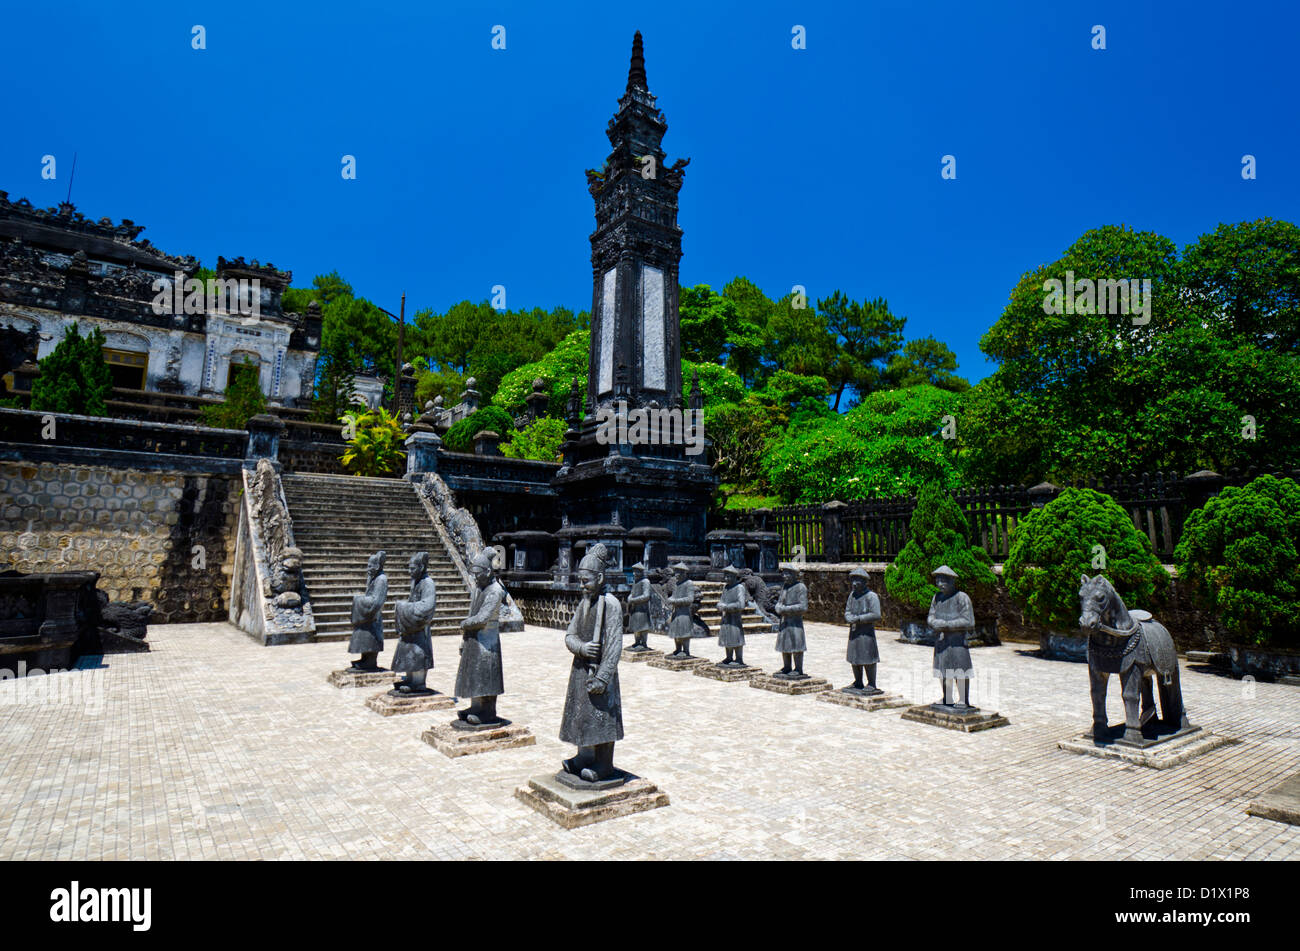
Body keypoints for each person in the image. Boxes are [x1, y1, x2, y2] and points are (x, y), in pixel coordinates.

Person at [559, 544, 625, 783]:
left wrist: (602, 677)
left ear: (599, 577)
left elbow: (615, 645)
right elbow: (570, 635)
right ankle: (583, 756)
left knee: (602, 717)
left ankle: (604, 763)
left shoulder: (611, 605)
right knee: (581, 716)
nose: (582, 585)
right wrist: (581, 648)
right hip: (581, 669)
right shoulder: (584, 604)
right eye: (580, 580)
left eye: (586, 580)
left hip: (599, 674)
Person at [455, 550, 507, 725]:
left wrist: (464, 624)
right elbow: (472, 612)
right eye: (474, 575)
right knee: (475, 675)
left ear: (487, 572)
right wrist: (464, 638)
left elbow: (482, 618)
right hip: (473, 637)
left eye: (478, 575)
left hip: (487, 640)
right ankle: (476, 706)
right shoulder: (478, 588)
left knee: (486, 676)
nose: (475, 578)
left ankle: (488, 711)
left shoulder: (496, 590)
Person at [928, 564, 975, 708]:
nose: (940, 584)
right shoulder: (937, 598)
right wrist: (934, 623)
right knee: (943, 670)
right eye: (938, 581)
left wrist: (946, 624)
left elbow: (968, 621)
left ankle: (963, 699)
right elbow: (930, 616)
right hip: (942, 641)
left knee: (960, 670)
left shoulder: (962, 598)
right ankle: (947, 697)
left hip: (957, 641)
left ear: (952, 581)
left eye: (943, 581)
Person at [392, 551, 437, 693]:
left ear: (422, 567)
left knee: (418, 652)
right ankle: (410, 679)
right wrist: (406, 608)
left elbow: (427, 606)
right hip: (411, 623)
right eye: (409, 568)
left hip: (420, 625)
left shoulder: (428, 583)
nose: (409, 571)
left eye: (413, 568)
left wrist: (405, 608)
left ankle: (418, 683)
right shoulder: (415, 582)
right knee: (408, 650)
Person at [844, 566, 882, 692]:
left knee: (868, 657)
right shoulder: (852, 595)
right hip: (854, 631)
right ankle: (858, 681)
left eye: (858, 581)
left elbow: (876, 614)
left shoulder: (872, 596)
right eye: (853, 580)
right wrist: (849, 617)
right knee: (854, 657)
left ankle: (871, 683)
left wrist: (859, 618)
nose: (854, 584)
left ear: (865, 582)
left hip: (866, 633)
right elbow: (847, 611)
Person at [348, 551, 387, 671]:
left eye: (371, 566)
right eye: (368, 566)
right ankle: (364, 658)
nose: (368, 569)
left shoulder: (381, 579)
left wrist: (359, 600)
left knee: (371, 637)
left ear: (377, 566)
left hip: (373, 615)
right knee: (364, 636)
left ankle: (370, 661)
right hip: (367, 614)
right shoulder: (373, 578)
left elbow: (377, 601)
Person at [773, 564, 809, 677]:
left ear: (794, 575)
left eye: (787, 573)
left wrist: (785, 609)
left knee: (797, 645)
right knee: (785, 644)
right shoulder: (785, 586)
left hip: (795, 622)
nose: (785, 576)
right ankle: (787, 666)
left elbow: (803, 607)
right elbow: (780, 601)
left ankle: (798, 668)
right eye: (784, 573)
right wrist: (778, 607)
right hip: (785, 621)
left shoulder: (800, 587)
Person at [717, 564, 750, 667]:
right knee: (727, 636)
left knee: (736, 637)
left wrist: (726, 606)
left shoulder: (739, 587)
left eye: (728, 576)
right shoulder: (726, 587)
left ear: (734, 576)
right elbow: (721, 601)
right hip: (726, 616)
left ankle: (739, 658)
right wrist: (719, 605)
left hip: (735, 617)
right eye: (725, 576)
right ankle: (729, 657)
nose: (726, 578)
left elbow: (741, 604)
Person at [666, 562, 696, 658]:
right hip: (676, 611)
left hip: (684, 612)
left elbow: (690, 599)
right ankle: (678, 649)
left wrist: (676, 601)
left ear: (683, 573)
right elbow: (674, 595)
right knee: (676, 631)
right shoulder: (677, 584)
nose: (676, 575)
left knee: (684, 632)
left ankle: (686, 651)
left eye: (678, 573)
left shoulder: (689, 584)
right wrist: (670, 599)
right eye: (676, 573)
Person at [626, 562, 654, 651]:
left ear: (641, 572)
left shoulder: (645, 582)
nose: (634, 573)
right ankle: (637, 642)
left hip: (642, 609)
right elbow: (632, 593)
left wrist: (633, 600)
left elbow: (646, 596)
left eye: (636, 572)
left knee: (643, 626)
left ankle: (644, 643)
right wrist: (629, 597)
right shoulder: (635, 581)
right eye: (634, 571)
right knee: (636, 626)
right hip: (635, 608)